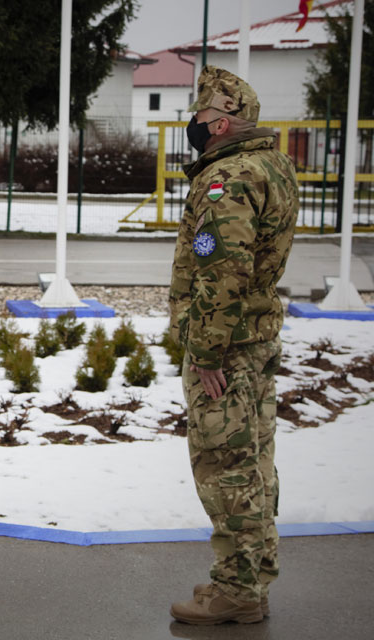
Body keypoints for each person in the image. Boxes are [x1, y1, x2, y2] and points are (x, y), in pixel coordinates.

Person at [168, 66, 298, 625]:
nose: (192, 127)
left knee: (226, 467)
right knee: (255, 462)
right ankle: (252, 578)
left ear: (221, 122)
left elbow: (223, 271)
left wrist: (205, 352)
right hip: (256, 337)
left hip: (228, 346)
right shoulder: (274, 165)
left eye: (197, 117)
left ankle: (238, 590)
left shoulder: (229, 178)